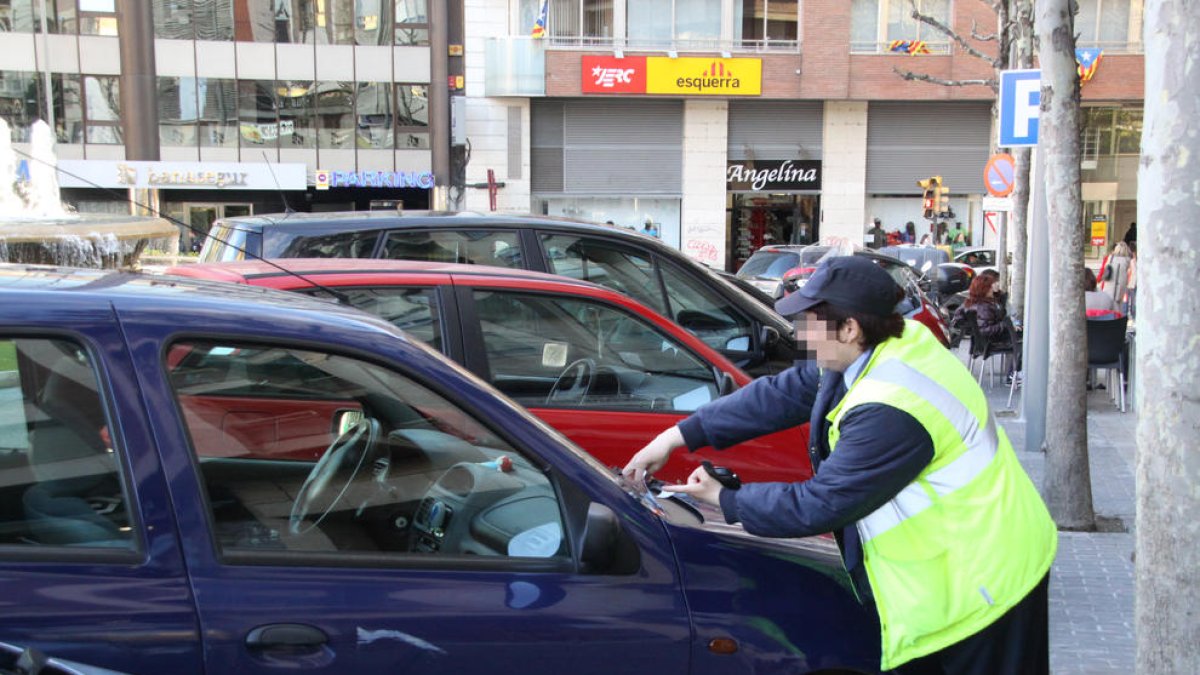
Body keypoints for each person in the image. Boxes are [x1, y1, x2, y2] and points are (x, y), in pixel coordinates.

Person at [624, 256, 1056, 674]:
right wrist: (678, 436)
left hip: (986, 585)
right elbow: (781, 393)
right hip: (947, 573)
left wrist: (727, 500)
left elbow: (822, 502)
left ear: (849, 328)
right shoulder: (877, 349)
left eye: (810, 323)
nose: (801, 335)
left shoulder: (893, 408)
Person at [1098, 241, 1132, 311]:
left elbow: (1104, 269)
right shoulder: (1127, 260)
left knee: (1107, 307)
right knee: (1118, 307)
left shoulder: (1110, 258)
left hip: (1108, 286)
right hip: (1121, 288)